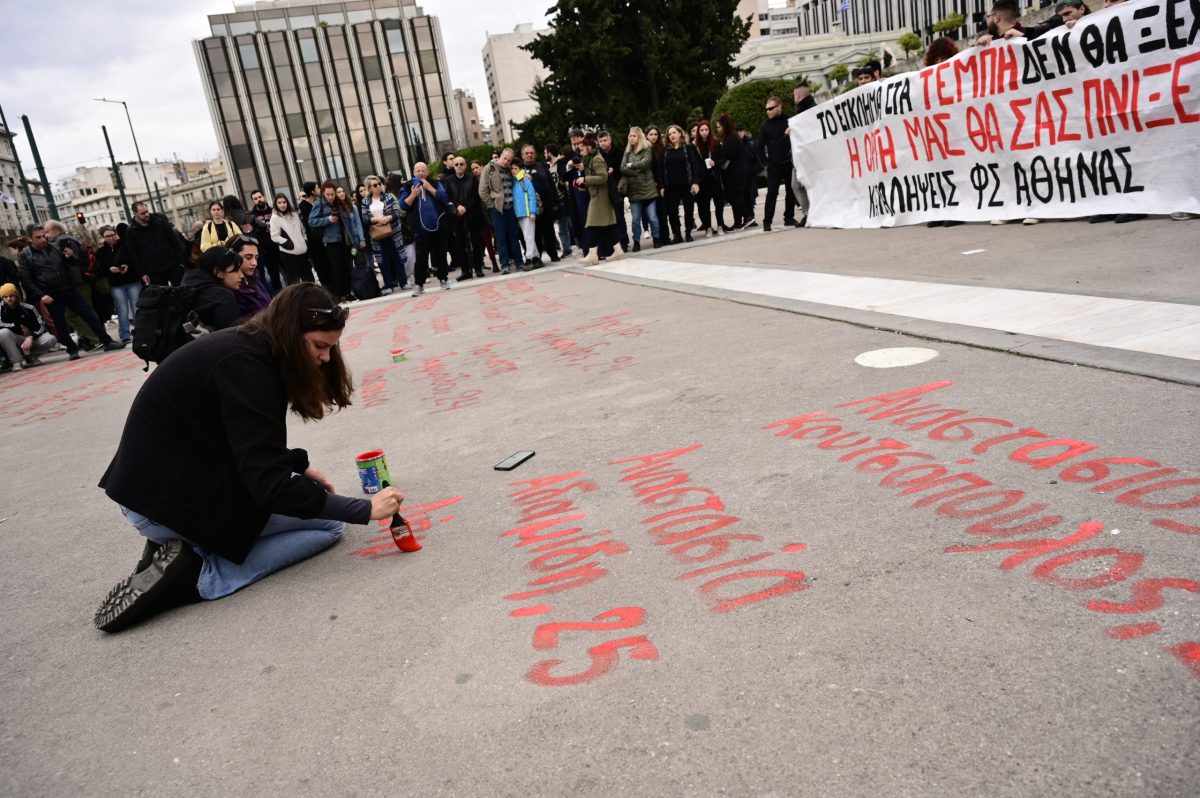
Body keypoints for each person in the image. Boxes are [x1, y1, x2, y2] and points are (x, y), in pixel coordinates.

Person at [93, 283, 407, 632]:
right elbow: (270, 486)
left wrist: (297, 464)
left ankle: (178, 549)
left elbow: (233, 438)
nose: (326, 358)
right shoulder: (248, 368)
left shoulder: (246, 347)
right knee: (329, 524)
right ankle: (199, 575)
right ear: (291, 334)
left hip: (157, 493)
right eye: (320, 346)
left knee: (311, 501)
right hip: (166, 505)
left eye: (331, 347)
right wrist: (365, 509)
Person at [18, 224, 124, 360]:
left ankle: (107, 341)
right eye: (38, 237)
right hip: (50, 293)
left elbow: (76, 264)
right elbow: (27, 279)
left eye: (44, 236)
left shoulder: (55, 247)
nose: (43, 239)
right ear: (30, 238)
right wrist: (41, 295)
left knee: (89, 315)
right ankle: (72, 349)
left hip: (68, 287)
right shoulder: (26, 255)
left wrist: (70, 256)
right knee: (60, 323)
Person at [308, 181, 365, 302]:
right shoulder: (319, 204)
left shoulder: (340, 203)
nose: (330, 197)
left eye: (332, 194)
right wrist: (327, 219)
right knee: (337, 268)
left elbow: (350, 222)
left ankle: (347, 293)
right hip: (330, 241)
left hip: (345, 240)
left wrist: (355, 239)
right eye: (327, 194)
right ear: (323, 193)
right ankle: (337, 295)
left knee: (347, 267)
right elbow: (311, 221)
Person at [402, 162, 453, 295]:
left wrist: (429, 188)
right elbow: (403, 206)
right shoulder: (408, 186)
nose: (421, 173)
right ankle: (419, 284)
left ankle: (443, 279)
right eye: (418, 171)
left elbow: (444, 197)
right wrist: (413, 194)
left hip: (438, 225)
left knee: (441, 254)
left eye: (423, 171)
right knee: (421, 257)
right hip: (420, 228)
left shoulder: (435, 183)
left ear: (427, 172)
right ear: (414, 173)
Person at [575, 132, 624, 265]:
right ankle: (618, 250)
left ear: (588, 148)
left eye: (582, 150)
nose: (580, 153)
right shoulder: (591, 159)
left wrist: (585, 179)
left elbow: (603, 177)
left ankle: (592, 255)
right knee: (606, 225)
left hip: (600, 197)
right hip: (597, 195)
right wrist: (585, 185)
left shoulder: (596, 159)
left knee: (593, 224)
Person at [478, 148, 524, 274]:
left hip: (511, 207)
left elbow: (517, 179)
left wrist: (525, 175)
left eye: (509, 160)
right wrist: (491, 205)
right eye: (505, 158)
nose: (506, 162)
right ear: (501, 155)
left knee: (514, 236)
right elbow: (482, 191)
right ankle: (504, 265)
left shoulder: (509, 169)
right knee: (500, 237)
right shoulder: (489, 169)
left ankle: (519, 262)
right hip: (497, 209)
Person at [757, 97, 799, 232]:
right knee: (772, 193)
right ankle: (767, 221)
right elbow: (759, 147)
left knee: (791, 190)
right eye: (766, 109)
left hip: (789, 162)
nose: (768, 111)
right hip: (773, 165)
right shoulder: (765, 126)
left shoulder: (790, 121)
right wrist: (765, 164)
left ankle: (789, 217)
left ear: (779, 107)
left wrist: (792, 134)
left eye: (771, 108)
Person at [360, 175, 408, 293]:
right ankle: (389, 285)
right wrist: (378, 220)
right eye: (375, 185)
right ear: (369, 188)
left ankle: (403, 282)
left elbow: (396, 212)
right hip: (377, 235)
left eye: (379, 184)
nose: (378, 186)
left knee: (398, 258)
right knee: (383, 261)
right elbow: (365, 218)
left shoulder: (388, 197)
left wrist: (387, 218)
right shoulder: (365, 201)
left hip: (393, 232)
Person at [181, 246, 243, 332]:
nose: (241, 275)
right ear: (218, 272)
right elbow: (231, 336)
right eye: (235, 270)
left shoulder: (191, 285)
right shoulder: (224, 297)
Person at [125, 201, 186, 286]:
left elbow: (174, 242)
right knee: (162, 293)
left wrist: (181, 261)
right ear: (135, 214)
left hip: (172, 264)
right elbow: (134, 254)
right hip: (153, 270)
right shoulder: (131, 231)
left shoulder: (160, 222)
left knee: (181, 289)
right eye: (143, 213)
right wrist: (142, 273)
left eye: (147, 211)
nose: (146, 214)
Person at [96, 225, 139, 343]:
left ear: (116, 234)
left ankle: (140, 331)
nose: (111, 238)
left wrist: (128, 266)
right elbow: (99, 270)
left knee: (136, 307)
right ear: (103, 237)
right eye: (107, 236)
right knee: (122, 309)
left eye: (112, 235)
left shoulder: (126, 246)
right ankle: (124, 334)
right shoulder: (101, 252)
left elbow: (135, 260)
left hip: (132, 280)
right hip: (115, 284)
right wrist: (109, 269)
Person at [444, 156, 484, 280]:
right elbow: (448, 197)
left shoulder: (472, 179)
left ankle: (478, 268)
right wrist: (458, 206)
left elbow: (475, 195)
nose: (459, 166)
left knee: (476, 243)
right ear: (453, 166)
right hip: (457, 217)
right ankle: (465, 271)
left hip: (472, 215)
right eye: (456, 164)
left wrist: (465, 207)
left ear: (466, 166)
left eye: (461, 164)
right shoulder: (449, 180)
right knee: (460, 244)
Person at [660, 124, 701, 245]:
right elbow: (661, 169)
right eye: (669, 134)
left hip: (687, 185)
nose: (671, 135)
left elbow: (694, 165)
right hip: (671, 187)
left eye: (674, 132)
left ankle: (688, 232)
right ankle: (677, 234)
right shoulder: (665, 152)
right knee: (672, 212)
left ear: (679, 133)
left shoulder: (688, 148)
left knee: (689, 210)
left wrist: (695, 182)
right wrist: (661, 186)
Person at [621, 126, 661, 250]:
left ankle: (656, 238)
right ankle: (636, 241)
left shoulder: (646, 149)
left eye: (634, 136)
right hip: (634, 191)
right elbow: (622, 168)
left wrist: (631, 165)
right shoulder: (627, 152)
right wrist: (635, 172)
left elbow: (645, 164)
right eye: (630, 136)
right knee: (635, 219)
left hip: (648, 188)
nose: (631, 138)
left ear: (639, 137)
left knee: (653, 217)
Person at [0, 282, 56, 368]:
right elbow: (0, 324)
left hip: (31, 339)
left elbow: (41, 324)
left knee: (51, 339)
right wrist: (18, 326)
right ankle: (17, 362)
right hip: (15, 339)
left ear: (16, 295)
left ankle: (30, 357)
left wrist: (31, 336)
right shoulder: (1, 309)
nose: (9, 299)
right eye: (5, 297)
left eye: (11, 296)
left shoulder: (29, 307)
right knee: (3, 333)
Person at [521, 144, 561, 264]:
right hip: (530, 208)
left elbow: (552, 185)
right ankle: (537, 258)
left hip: (546, 206)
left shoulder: (542, 166)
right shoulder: (519, 170)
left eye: (531, 153)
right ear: (522, 155)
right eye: (527, 153)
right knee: (535, 234)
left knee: (549, 231)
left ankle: (553, 254)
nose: (529, 155)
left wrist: (555, 202)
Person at [269, 193, 315, 284]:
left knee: (309, 280)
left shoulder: (294, 214)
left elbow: (303, 230)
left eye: (284, 202)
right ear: (276, 204)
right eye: (279, 203)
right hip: (288, 254)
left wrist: (305, 240)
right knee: (294, 282)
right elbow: (274, 236)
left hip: (302, 252)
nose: (282, 205)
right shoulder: (274, 218)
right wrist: (288, 244)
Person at [716, 114, 749, 230]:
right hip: (736, 171)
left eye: (719, 126)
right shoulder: (731, 137)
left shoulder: (731, 138)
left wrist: (720, 165)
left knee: (735, 197)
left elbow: (728, 157)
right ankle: (743, 219)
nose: (717, 129)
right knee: (734, 197)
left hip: (735, 172)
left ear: (724, 126)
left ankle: (742, 219)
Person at [597, 131, 629, 250]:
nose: (603, 143)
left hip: (617, 187)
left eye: (605, 140)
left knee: (619, 215)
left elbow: (624, 168)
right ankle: (614, 243)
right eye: (600, 141)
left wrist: (614, 170)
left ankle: (623, 242)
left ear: (610, 140)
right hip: (605, 189)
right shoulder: (598, 154)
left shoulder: (619, 152)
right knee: (610, 218)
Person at [247, 189, 283, 293]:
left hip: (281, 247)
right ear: (253, 201)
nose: (258, 200)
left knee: (288, 272)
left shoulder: (274, 211)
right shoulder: (251, 216)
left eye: (260, 197)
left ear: (264, 197)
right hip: (266, 251)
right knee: (274, 276)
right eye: (255, 199)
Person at [298, 182, 331, 288]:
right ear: (312, 191)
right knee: (320, 266)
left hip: (325, 237)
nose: (320, 189)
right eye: (317, 188)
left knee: (330, 264)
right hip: (314, 241)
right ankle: (326, 289)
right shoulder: (303, 206)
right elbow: (310, 222)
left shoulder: (321, 202)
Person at [511, 160, 540, 268]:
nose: (513, 171)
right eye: (512, 168)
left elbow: (532, 197)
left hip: (528, 213)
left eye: (515, 168)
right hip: (520, 214)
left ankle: (529, 258)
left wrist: (532, 211)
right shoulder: (513, 182)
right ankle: (536, 257)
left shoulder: (525, 181)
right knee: (528, 236)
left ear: (520, 169)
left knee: (528, 236)